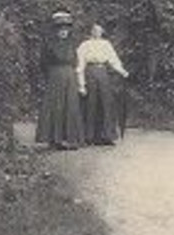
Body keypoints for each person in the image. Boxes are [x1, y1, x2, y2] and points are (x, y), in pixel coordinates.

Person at [36, 10, 85, 150]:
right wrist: (51, 75)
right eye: (60, 29)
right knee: (56, 106)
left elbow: (76, 61)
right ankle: (54, 139)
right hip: (55, 75)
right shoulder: (49, 44)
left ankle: (71, 139)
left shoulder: (72, 44)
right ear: (55, 30)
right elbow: (43, 63)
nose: (63, 32)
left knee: (71, 105)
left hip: (69, 75)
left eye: (66, 29)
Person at [76, 23, 129, 145]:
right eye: (94, 30)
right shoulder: (85, 45)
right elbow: (80, 64)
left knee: (105, 103)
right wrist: (81, 84)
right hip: (90, 72)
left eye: (99, 31)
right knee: (90, 104)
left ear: (102, 32)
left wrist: (122, 71)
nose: (97, 33)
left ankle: (106, 136)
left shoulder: (106, 44)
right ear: (91, 32)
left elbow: (113, 59)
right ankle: (89, 137)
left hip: (103, 73)